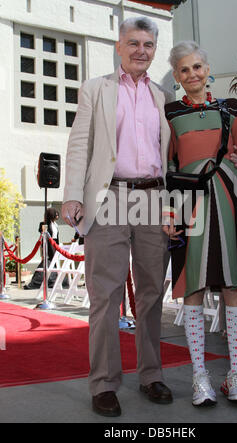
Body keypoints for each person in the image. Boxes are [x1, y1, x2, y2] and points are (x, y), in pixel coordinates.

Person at [62, 17, 173, 417]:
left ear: (154, 49)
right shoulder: (96, 89)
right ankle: (105, 383)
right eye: (133, 43)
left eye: (148, 44)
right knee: (105, 295)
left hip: (153, 197)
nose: (141, 50)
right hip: (109, 196)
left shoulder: (164, 95)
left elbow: (172, 155)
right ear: (118, 46)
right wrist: (73, 196)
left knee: (150, 293)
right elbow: (79, 147)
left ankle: (150, 374)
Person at [163, 41, 237, 407]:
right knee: (193, 287)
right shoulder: (170, 113)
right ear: (176, 76)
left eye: (197, 67)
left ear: (207, 68)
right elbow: (170, 167)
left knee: (236, 285)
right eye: (184, 70)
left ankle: (236, 376)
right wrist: (170, 212)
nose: (192, 74)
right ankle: (200, 376)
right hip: (190, 204)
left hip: (229, 199)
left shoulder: (232, 108)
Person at [24, 208, 60, 289]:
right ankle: (36, 282)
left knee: (53, 262)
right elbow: (41, 232)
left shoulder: (55, 224)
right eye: (56, 214)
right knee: (48, 261)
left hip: (54, 244)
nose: (57, 216)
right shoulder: (44, 223)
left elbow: (57, 237)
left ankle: (53, 281)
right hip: (48, 244)